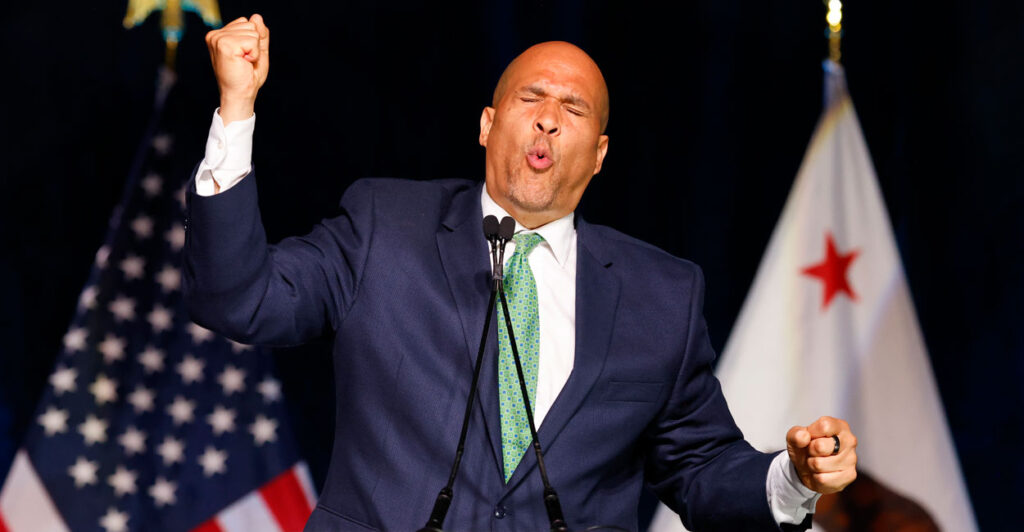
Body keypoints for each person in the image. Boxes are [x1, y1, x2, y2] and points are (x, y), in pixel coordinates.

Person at [186, 14, 858, 531]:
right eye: (529, 99)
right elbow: (240, 301)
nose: (546, 120)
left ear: (598, 155)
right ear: (487, 124)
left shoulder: (663, 296)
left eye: (573, 111)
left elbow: (703, 468)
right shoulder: (383, 226)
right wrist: (237, 108)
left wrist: (794, 476)